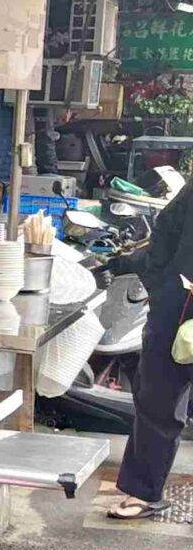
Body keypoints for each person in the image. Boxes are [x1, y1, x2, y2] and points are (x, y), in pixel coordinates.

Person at [108, 178, 193, 523]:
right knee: (158, 395)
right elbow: (164, 233)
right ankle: (144, 491)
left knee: (158, 395)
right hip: (178, 304)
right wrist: (165, 284)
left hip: (175, 300)